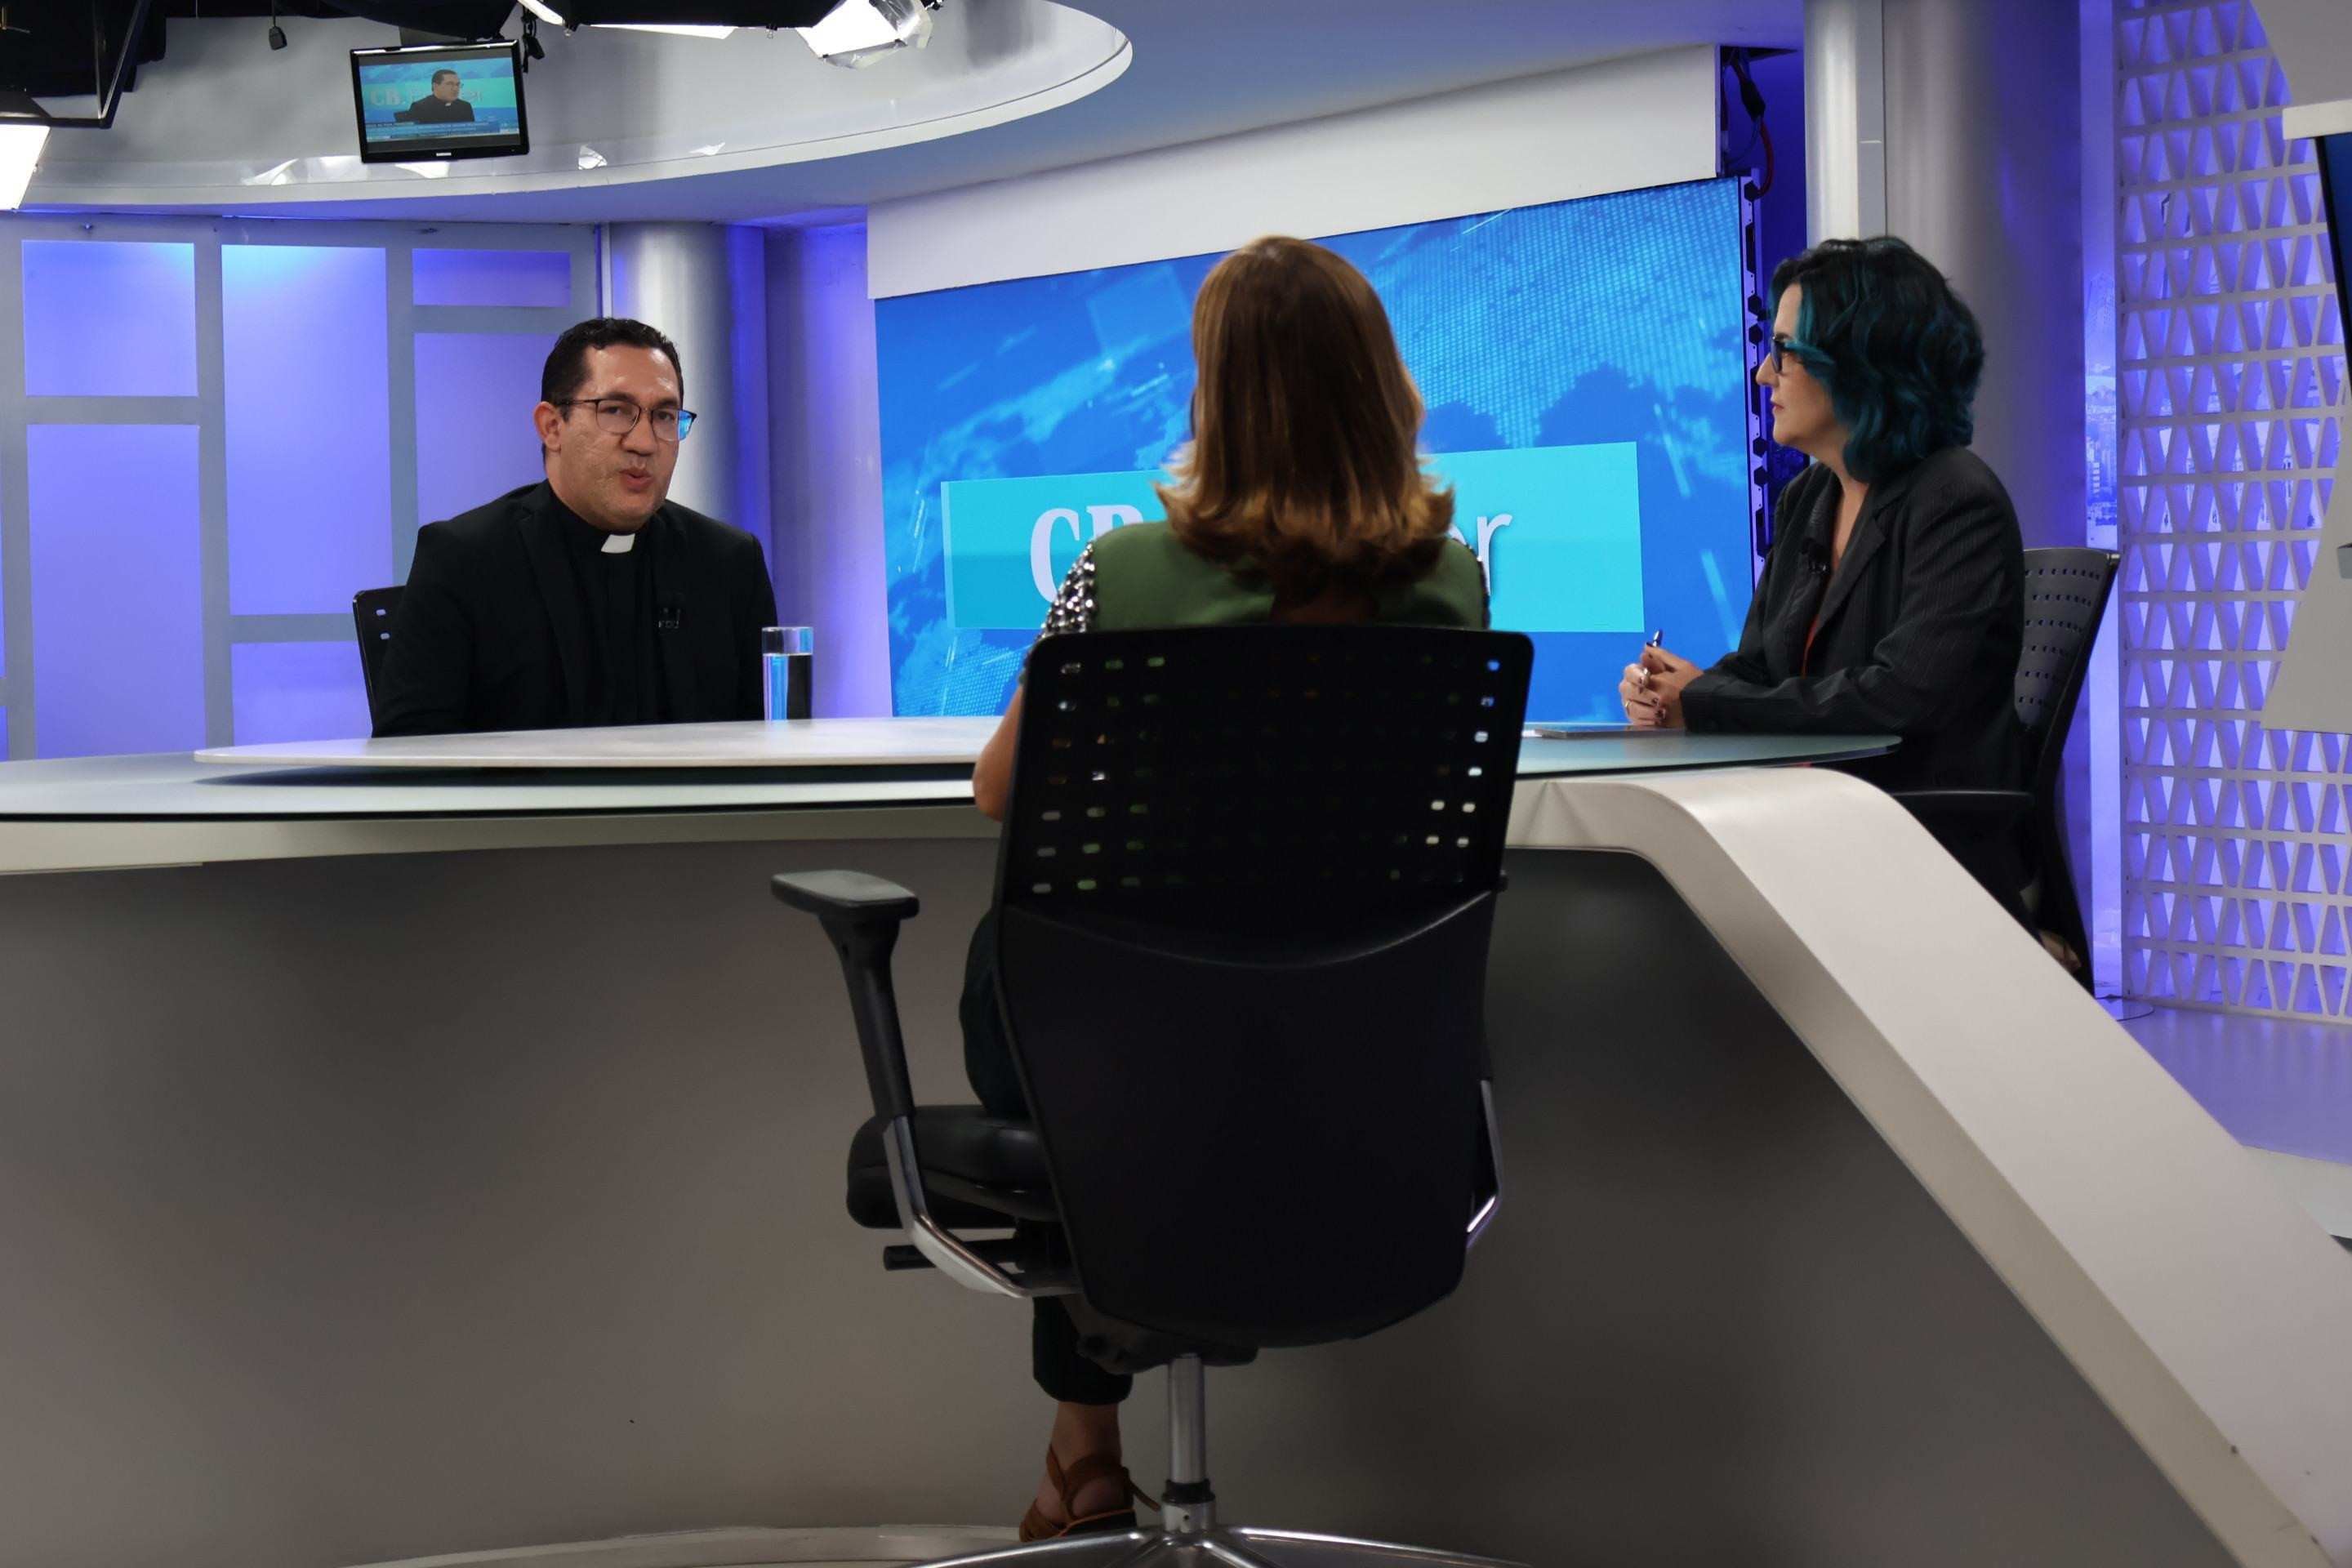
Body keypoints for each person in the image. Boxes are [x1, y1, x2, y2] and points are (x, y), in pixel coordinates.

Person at [964, 237, 1488, 1540]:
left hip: (1128, 1049)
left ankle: (1085, 1446)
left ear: (1218, 396)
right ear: (1382, 388)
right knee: (1125, 1033)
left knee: (1057, 997)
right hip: (1363, 1043)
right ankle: (1083, 1449)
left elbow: (998, 788)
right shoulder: (1453, 582)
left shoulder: (1123, 572)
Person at [1619, 236, 2029, 908]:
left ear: (1863, 364)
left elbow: (1900, 698)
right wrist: (1672, 694)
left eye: (1785, 351)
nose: (1764, 375)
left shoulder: (1957, 500)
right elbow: (1761, 667)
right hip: (1820, 822)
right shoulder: (1810, 495)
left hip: (1919, 848)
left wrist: (1707, 702)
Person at [374, 317, 777, 737]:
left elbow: (769, 744)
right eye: (615, 410)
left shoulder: (728, 562)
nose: (644, 442)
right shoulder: (466, 559)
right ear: (552, 427)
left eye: (664, 416)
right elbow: (410, 751)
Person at [394, 69, 474, 124]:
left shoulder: (465, 106)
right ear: (435, 86)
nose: (455, 89)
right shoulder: (419, 107)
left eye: (457, 84)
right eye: (450, 84)